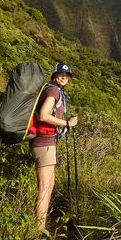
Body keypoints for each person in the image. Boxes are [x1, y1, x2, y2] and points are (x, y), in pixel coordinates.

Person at [30, 62, 78, 230]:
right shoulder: (52, 91)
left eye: (66, 75)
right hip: (43, 142)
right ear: (54, 76)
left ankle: (41, 225)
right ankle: (38, 231)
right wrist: (67, 123)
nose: (63, 77)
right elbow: (43, 115)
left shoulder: (56, 91)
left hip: (48, 142)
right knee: (44, 188)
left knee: (49, 185)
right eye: (60, 74)